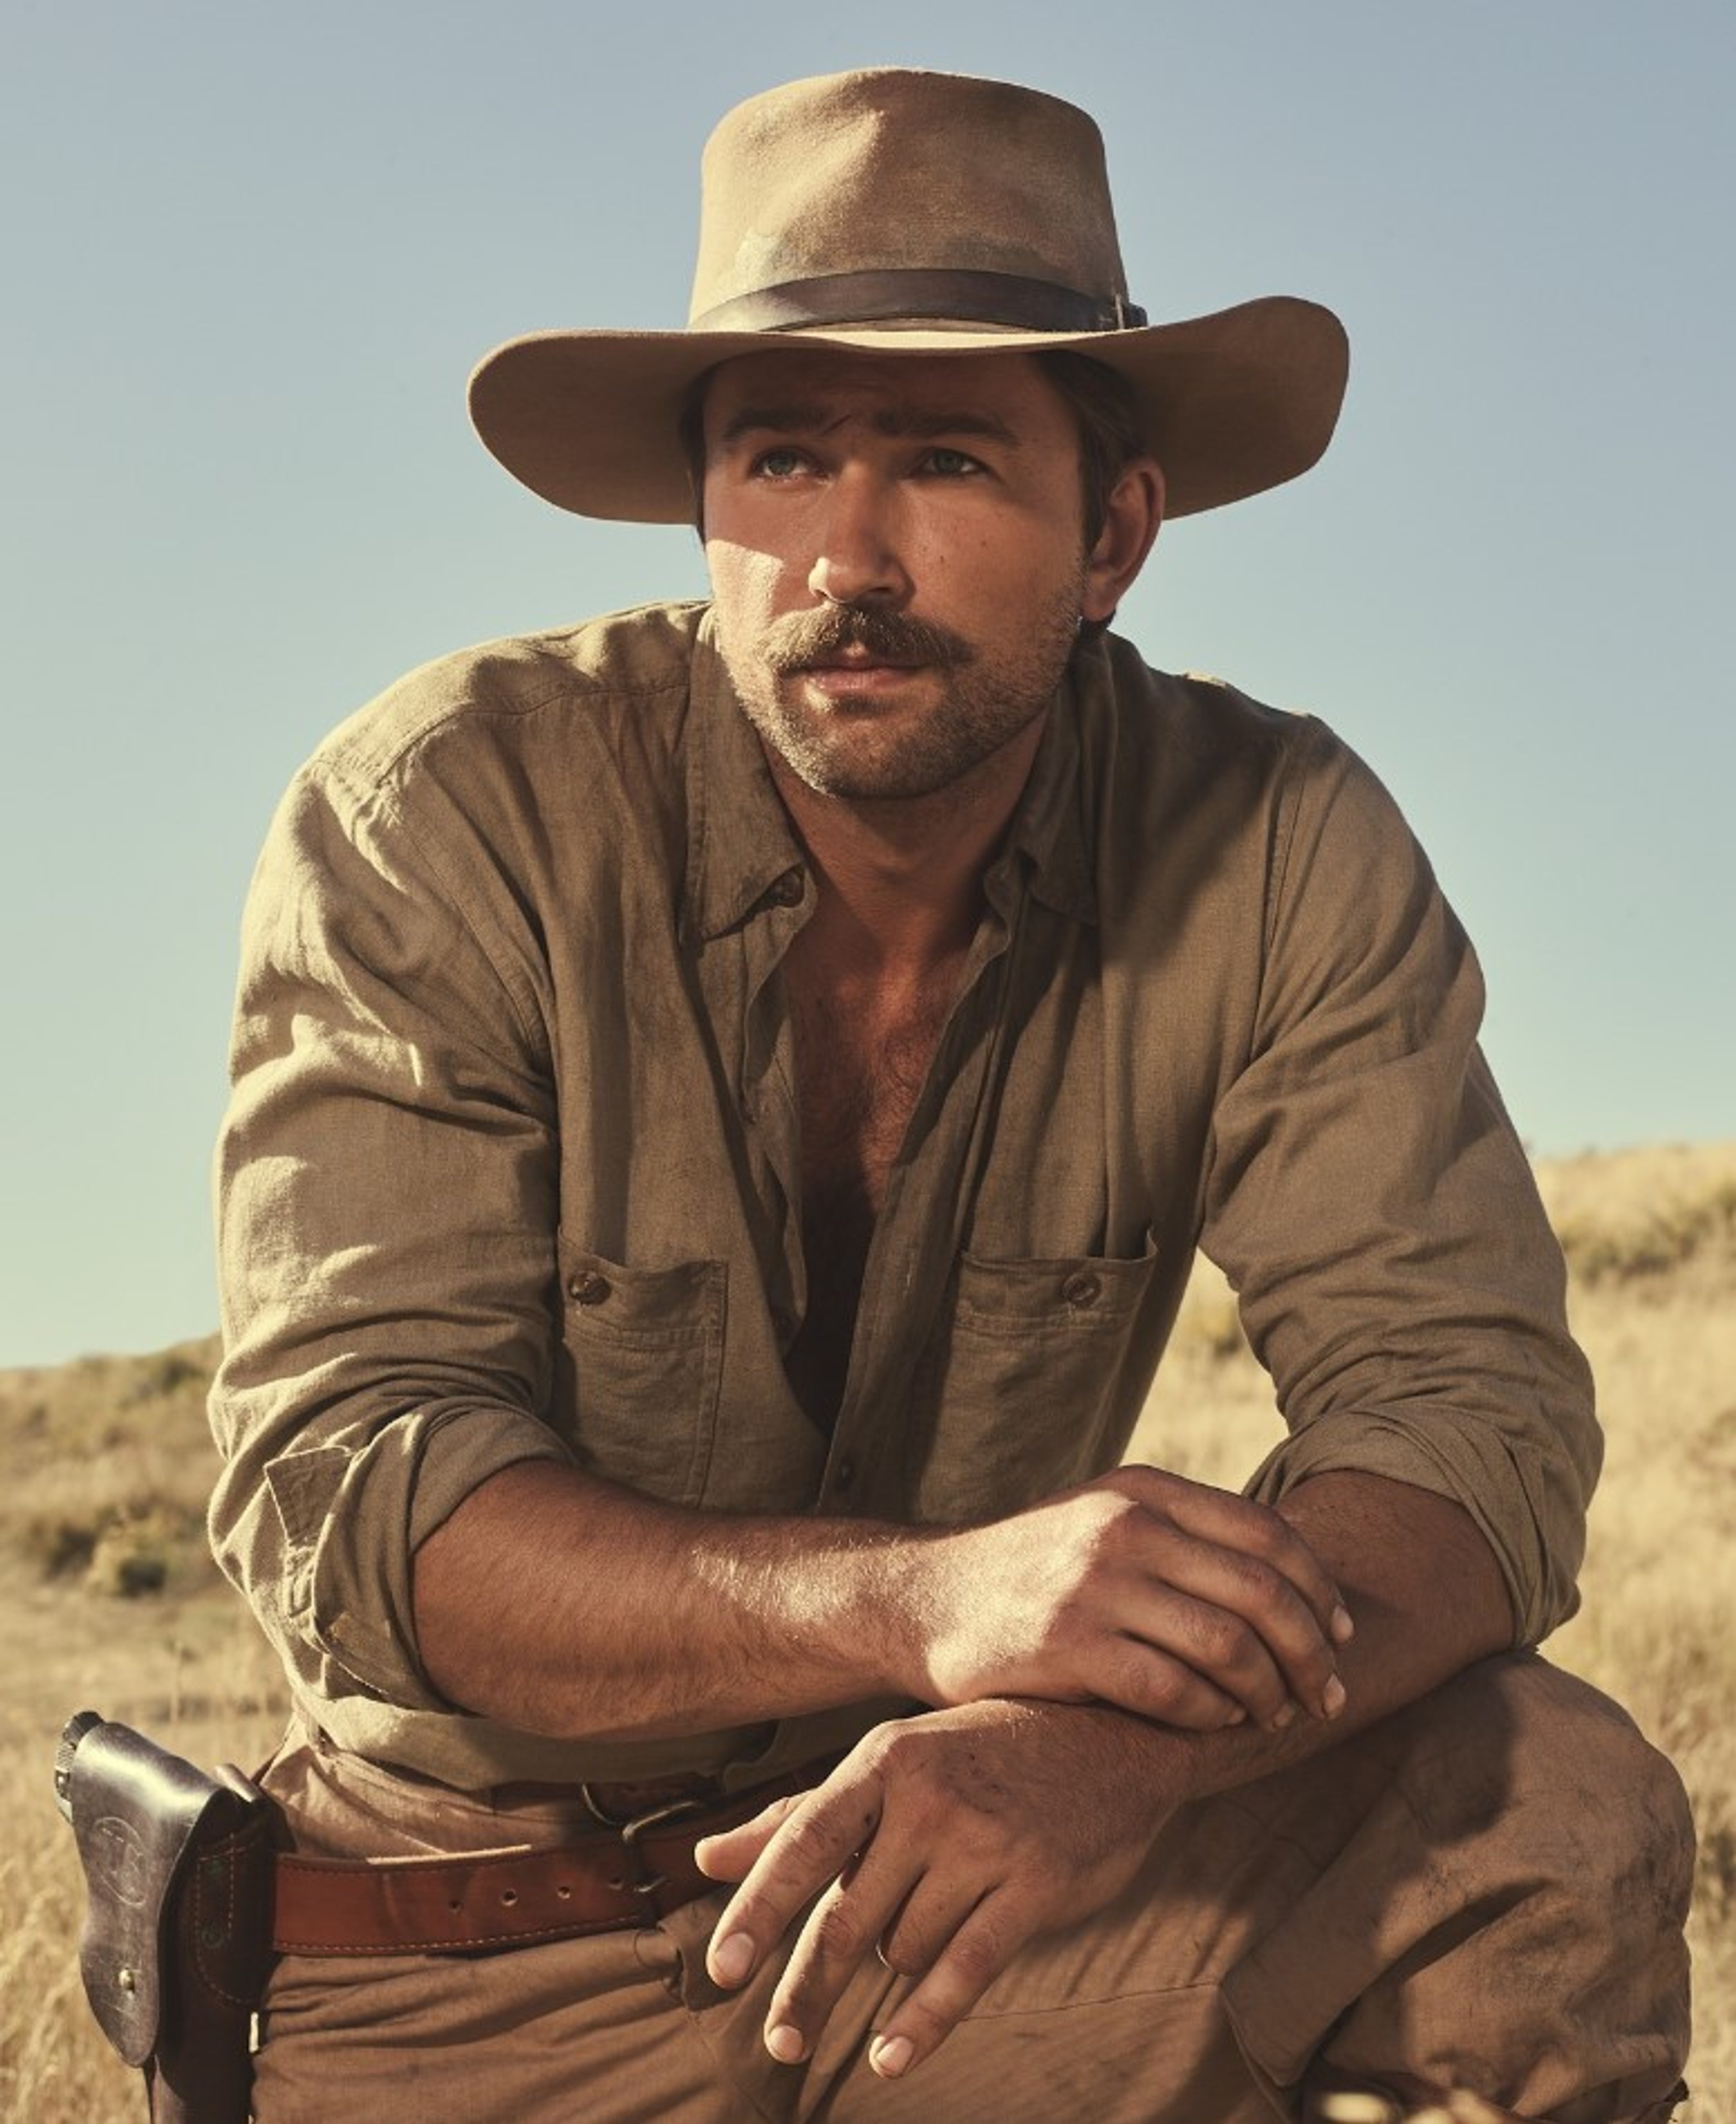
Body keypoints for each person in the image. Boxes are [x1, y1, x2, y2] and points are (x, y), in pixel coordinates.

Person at [208, 67, 1693, 2123]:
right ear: (703, 507)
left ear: (1116, 530)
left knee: (1548, 1804)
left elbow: (1474, 1423)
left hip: (981, 1900)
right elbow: (361, 1493)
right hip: (474, 1940)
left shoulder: (1275, 837)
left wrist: (1114, 1749)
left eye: (946, 460)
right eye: (786, 456)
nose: (850, 555)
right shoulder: (442, 814)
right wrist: (929, 1604)